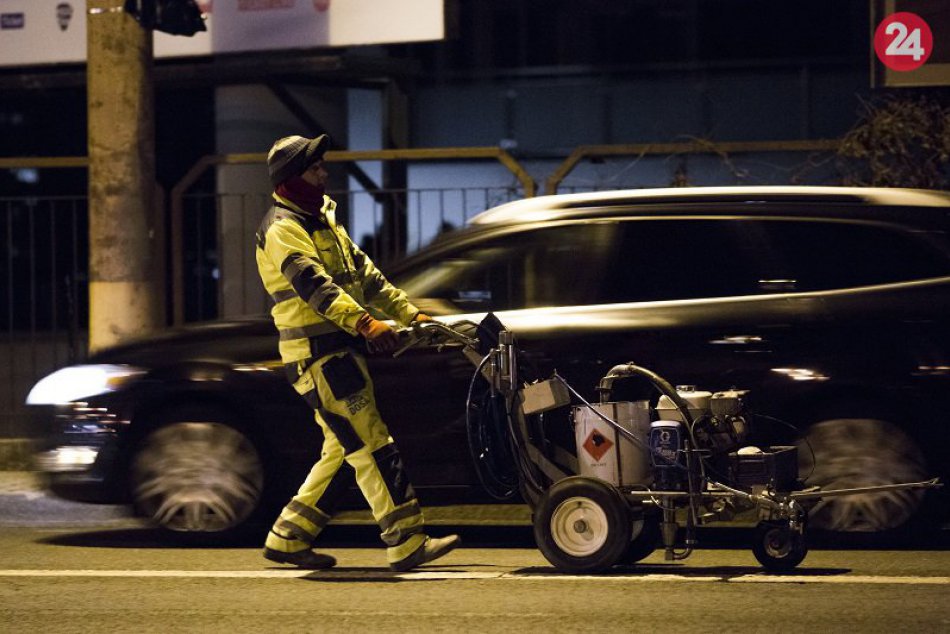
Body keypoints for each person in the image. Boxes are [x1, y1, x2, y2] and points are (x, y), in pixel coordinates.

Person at [254, 134, 460, 571]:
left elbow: (368, 278)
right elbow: (315, 286)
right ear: (293, 177)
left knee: (343, 450)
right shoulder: (282, 229)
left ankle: (289, 536)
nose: (324, 173)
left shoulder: (322, 219)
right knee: (370, 442)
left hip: (338, 352)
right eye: (315, 168)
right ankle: (406, 540)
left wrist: (412, 315)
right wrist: (366, 323)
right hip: (319, 356)